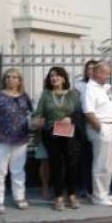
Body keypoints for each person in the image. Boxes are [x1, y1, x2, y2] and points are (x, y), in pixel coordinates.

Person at [32, 67, 82, 211]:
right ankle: (59, 197)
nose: (55, 78)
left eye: (58, 76)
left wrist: (69, 118)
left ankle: (72, 195)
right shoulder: (46, 94)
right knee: (56, 164)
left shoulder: (72, 94)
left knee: (71, 164)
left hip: (69, 131)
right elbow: (38, 112)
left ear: (64, 78)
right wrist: (37, 120)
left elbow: (79, 113)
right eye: (52, 76)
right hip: (51, 132)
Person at [0, 68, 32, 214]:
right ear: (4, 80)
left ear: (19, 80)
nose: (11, 79)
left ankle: (19, 197)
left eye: (14, 77)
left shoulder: (24, 96)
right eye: (8, 77)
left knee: (18, 171)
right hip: (0, 139)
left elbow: (30, 114)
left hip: (20, 140)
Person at [83, 60, 112, 207]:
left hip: (110, 126)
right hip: (101, 128)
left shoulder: (104, 87)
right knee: (101, 164)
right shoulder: (90, 88)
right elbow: (88, 112)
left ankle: (104, 192)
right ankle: (98, 196)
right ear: (97, 73)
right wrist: (101, 129)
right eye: (106, 73)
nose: (108, 76)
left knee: (109, 163)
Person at [74, 59, 98, 199]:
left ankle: (96, 188)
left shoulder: (104, 86)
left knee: (98, 158)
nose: (92, 71)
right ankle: (84, 187)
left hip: (98, 123)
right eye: (89, 68)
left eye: (95, 68)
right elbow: (76, 105)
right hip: (83, 123)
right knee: (85, 157)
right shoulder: (79, 85)